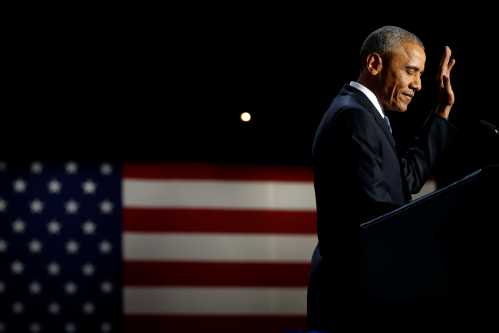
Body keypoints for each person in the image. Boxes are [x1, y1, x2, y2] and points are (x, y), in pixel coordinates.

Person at [307, 26, 456, 332]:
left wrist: (441, 111)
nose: (418, 84)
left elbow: (407, 178)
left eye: (421, 74)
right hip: (356, 301)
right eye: (411, 71)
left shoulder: (366, 114)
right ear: (374, 64)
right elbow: (378, 214)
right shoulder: (354, 116)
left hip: (359, 293)